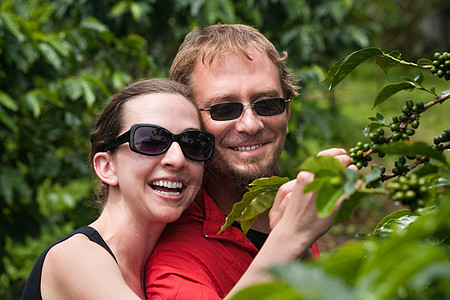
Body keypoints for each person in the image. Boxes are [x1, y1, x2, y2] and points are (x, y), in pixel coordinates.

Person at [144, 24, 354, 299]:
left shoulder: (292, 206)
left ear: (287, 114)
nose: (251, 125)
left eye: (267, 104)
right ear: (190, 126)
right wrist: (291, 238)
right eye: (224, 109)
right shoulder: (176, 260)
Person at [21, 78, 215, 299]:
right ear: (107, 167)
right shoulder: (75, 257)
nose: (177, 159)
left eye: (193, 143)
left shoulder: (165, 268)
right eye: (151, 141)